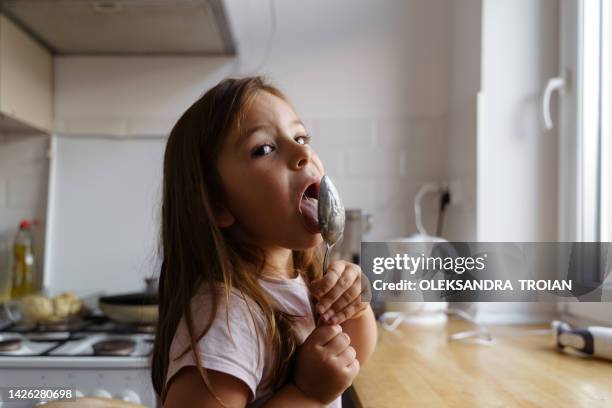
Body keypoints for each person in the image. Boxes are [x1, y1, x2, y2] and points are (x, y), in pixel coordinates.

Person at [151, 76, 377, 407]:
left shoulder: (300, 283)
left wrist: (355, 309)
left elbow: (351, 358)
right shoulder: (226, 321)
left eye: (301, 136)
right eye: (264, 149)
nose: (303, 151)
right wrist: (306, 393)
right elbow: (321, 386)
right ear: (217, 203)